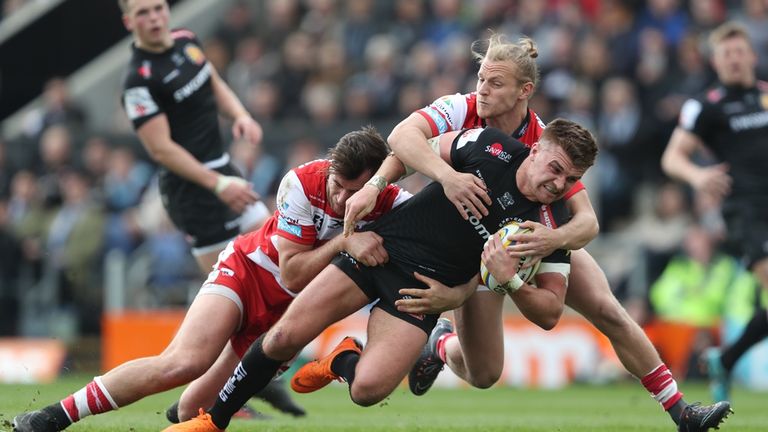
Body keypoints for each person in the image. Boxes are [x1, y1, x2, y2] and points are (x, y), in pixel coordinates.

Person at [343, 34, 731, 431]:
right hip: (463, 239)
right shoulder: (461, 109)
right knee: (484, 373)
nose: (482, 89)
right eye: (482, 79)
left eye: (494, 83)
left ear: (523, 91)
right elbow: (403, 144)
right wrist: (379, 187)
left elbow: (587, 222)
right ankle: (441, 345)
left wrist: (552, 240)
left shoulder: (546, 145)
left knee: (606, 307)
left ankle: (680, 410)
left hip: (522, 238)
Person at [164, 118, 597, 432]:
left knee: (367, 391)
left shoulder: (552, 226)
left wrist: (500, 283)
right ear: (536, 149)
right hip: (381, 250)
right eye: (555, 168)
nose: (558, 184)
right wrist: (404, 182)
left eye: (571, 178)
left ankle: (342, 360)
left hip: (422, 292)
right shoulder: (490, 146)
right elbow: (408, 148)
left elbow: (550, 313)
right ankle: (212, 423)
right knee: (283, 338)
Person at [11, 126, 409, 432]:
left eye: (356, 192)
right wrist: (347, 240)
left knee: (191, 411)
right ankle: (51, 418)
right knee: (183, 362)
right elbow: (292, 271)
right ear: (331, 168)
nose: (342, 200)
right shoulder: (302, 181)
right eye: (338, 185)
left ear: (379, 185)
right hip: (249, 274)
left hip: (289, 318)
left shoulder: (393, 205)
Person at [117, 0, 298, 417]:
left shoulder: (186, 42)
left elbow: (211, 78)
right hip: (195, 193)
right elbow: (161, 149)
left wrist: (239, 113)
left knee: (285, 255)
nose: (155, 17)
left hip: (224, 174)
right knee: (232, 303)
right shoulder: (138, 81)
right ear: (129, 22)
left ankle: (247, 380)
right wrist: (218, 185)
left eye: (159, 8)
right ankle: (213, 400)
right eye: (143, 13)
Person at [662, 21, 768, 403]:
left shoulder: (766, 96)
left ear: (753, 56)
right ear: (715, 62)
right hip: (747, 212)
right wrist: (698, 175)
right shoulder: (706, 106)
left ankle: (726, 357)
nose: (735, 60)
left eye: (740, 52)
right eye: (726, 54)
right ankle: (727, 357)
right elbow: (672, 157)